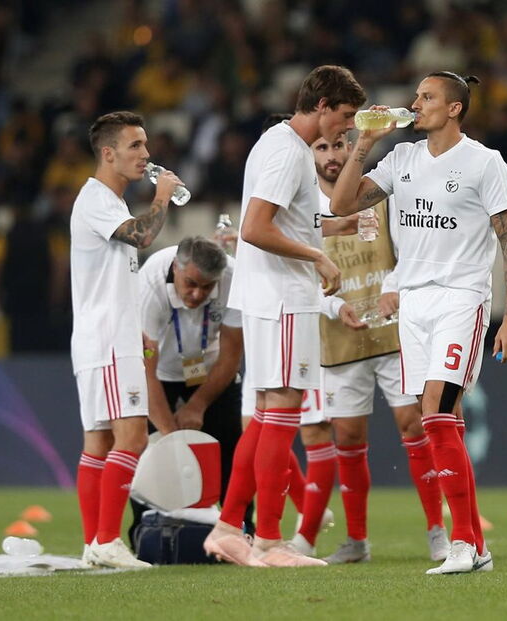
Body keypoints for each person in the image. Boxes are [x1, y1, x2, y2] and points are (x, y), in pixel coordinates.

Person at [330, 71, 507, 574]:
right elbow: (341, 205)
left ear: (454, 108)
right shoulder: (402, 159)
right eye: (416, 95)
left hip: (461, 298)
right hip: (413, 303)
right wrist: (365, 144)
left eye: (427, 97)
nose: (414, 103)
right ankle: (476, 545)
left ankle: (461, 543)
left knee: (436, 409)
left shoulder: (485, 163)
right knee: (441, 420)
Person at [202, 65, 366, 568]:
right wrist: (317, 257)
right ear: (321, 106)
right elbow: (254, 227)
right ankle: (270, 539)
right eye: (343, 116)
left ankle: (230, 527)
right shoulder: (288, 151)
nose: (346, 127)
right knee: (284, 413)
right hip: (283, 297)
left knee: (268, 416)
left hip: (270, 297)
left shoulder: (277, 144)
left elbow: (294, 219)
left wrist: (331, 231)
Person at [287, 135, 450, 564]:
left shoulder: (379, 194)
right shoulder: (303, 206)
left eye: (339, 145)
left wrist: (392, 289)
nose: (333, 155)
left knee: (413, 425)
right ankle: (357, 541)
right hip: (339, 337)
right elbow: (300, 276)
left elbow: (408, 251)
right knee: (349, 436)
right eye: (322, 148)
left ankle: (438, 529)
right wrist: (334, 305)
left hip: (391, 332)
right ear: (312, 156)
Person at [70, 111, 182, 568]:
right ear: (108, 153)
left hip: (103, 336)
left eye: (145, 144)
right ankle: (108, 541)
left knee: (97, 443)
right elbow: (142, 235)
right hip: (108, 339)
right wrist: (162, 198)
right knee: (131, 437)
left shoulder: (106, 202)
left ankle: (94, 545)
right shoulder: (97, 199)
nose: (146, 154)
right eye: (135, 145)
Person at [127, 236, 244, 543]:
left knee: (232, 449)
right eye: (191, 283)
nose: (197, 294)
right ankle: (143, 535)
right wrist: (173, 439)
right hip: (158, 373)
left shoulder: (234, 277)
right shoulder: (150, 282)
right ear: (175, 268)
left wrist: (198, 405)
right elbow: (144, 369)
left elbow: (232, 354)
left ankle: (242, 532)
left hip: (210, 370)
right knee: (149, 451)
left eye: (207, 287)